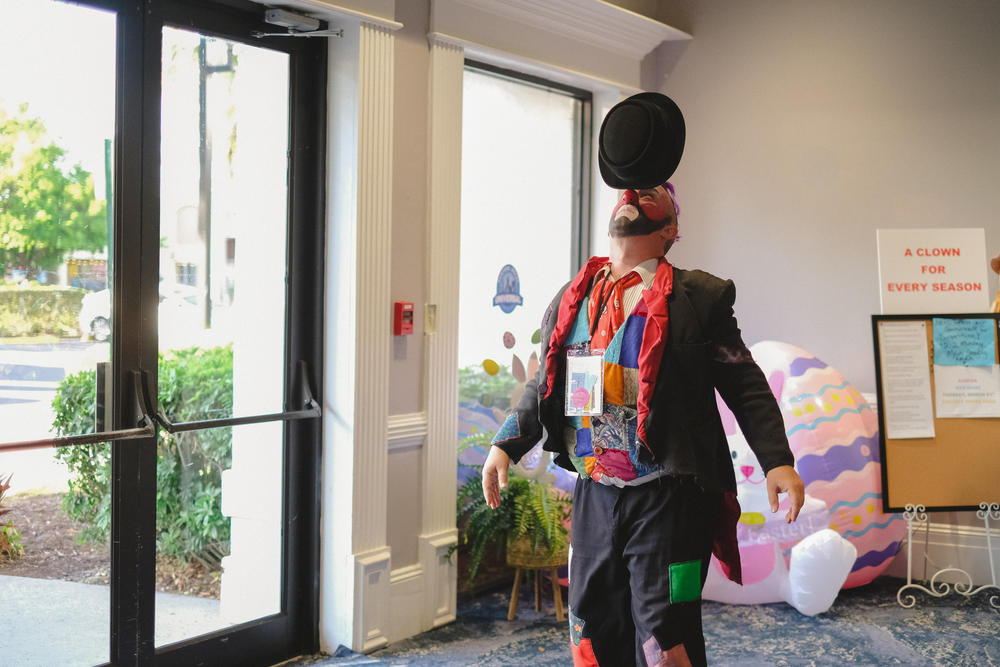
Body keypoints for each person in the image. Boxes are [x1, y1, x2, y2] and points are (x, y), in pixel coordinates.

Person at [481, 92, 804, 667]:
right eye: (629, 191)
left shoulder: (699, 296)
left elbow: (744, 382)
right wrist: (505, 443)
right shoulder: (572, 297)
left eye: (652, 191)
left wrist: (778, 461)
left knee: (665, 628)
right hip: (595, 495)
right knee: (592, 619)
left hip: (669, 497)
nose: (634, 195)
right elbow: (545, 385)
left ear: (671, 228)